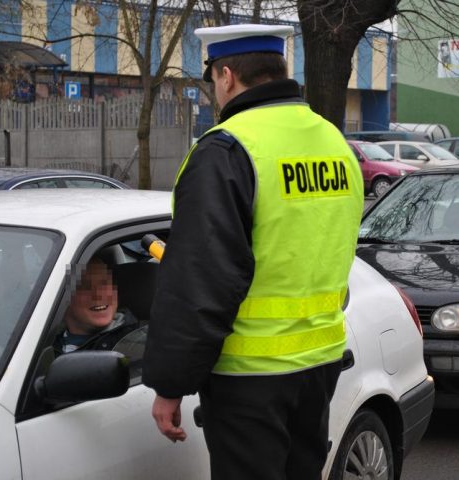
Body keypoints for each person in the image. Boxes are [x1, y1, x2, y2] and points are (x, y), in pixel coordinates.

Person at [141, 23, 364, 480]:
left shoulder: (227, 149)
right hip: (320, 362)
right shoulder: (333, 142)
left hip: (250, 375)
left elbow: (200, 282)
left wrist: (170, 384)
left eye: (212, 83)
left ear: (226, 76)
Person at [54, 257, 137, 355]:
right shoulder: (40, 343)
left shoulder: (137, 341)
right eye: (85, 286)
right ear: (62, 297)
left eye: (104, 283)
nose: (98, 295)